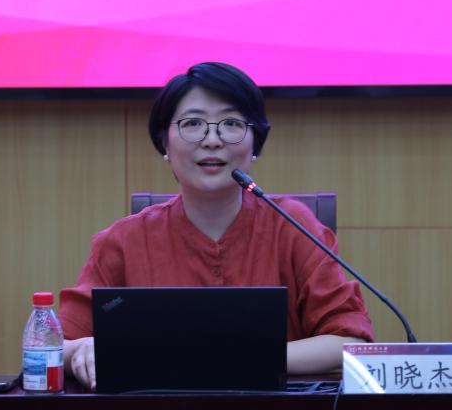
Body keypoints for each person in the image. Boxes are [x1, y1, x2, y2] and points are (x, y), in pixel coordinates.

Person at [58, 61, 374, 389]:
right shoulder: (123, 241)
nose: (212, 140)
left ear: (255, 143)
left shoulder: (293, 227)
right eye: (193, 123)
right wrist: (82, 348)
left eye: (231, 123)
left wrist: (231, 358)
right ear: (165, 143)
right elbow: (48, 347)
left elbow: (350, 340)